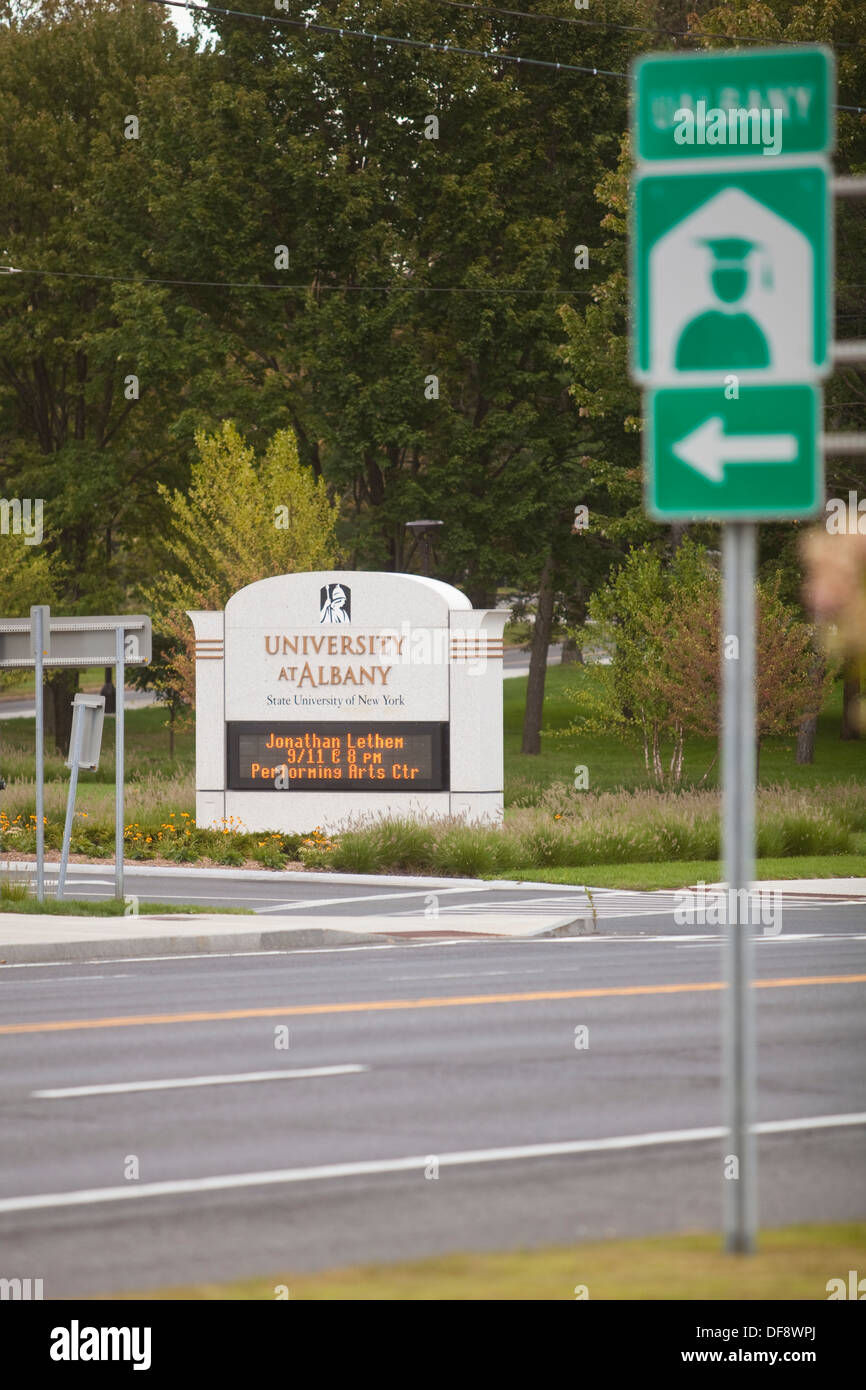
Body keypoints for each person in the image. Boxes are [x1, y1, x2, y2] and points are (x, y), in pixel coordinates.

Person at [676, 236, 770, 370]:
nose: (730, 284)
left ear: (746, 279)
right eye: (724, 276)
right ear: (713, 278)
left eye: (737, 276)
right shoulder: (696, 330)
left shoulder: (754, 330)